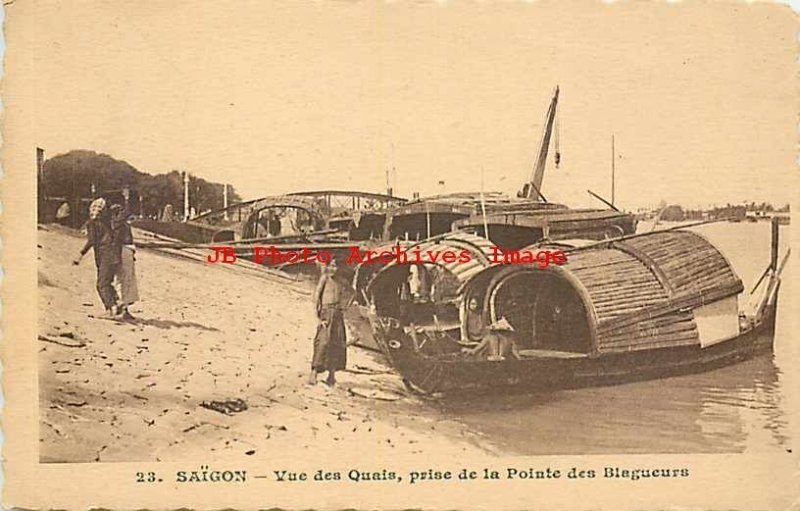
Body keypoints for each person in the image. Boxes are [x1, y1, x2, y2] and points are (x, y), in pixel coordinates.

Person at [73, 198, 121, 317]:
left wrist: (80, 255)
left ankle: (111, 308)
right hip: (114, 256)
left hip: (104, 255)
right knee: (107, 282)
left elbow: (92, 241)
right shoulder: (107, 223)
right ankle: (116, 303)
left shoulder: (92, 223)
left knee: (101, 285)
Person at [309, 259, 353, 387]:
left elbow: (353, 293)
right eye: (331, 266)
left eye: (336, 266)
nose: (333, 269)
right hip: (326, 313)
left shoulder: (342, 281)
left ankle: (331, 375)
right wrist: (317, 315)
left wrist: (345, 306)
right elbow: (317, 295)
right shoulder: (325, 279)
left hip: (338, 314)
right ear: (327, 266)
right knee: (322, 342)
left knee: (337, 343)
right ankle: (314, 372)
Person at [110, 204, 139, 320]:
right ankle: (122, 308)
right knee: (124, 280)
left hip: (125, 251)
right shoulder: (121, 226)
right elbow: (119, 242)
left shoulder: (119, 225)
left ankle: (123, 308)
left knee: (124, 280)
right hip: (124, 251)